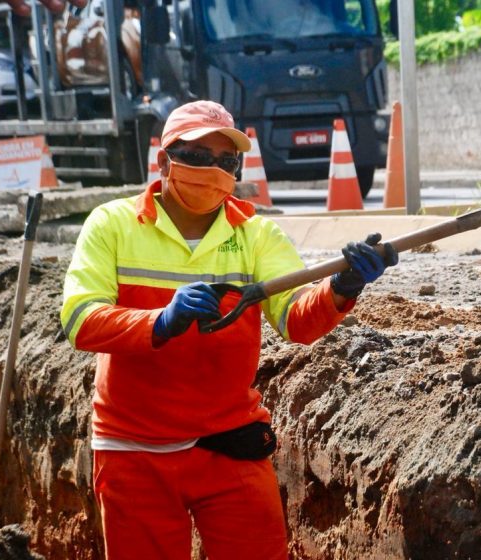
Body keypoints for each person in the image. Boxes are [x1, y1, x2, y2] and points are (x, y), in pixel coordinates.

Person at [60, 99, 397, 559]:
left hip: (227, 441)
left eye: (225, 160)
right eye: (197, 157)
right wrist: (160, 320)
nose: (212, 169)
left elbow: (296, 318)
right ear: (165, 161)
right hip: (134, 447)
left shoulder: (257, 235)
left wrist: (341, 288)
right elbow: (80, 320)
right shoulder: (113, 225)